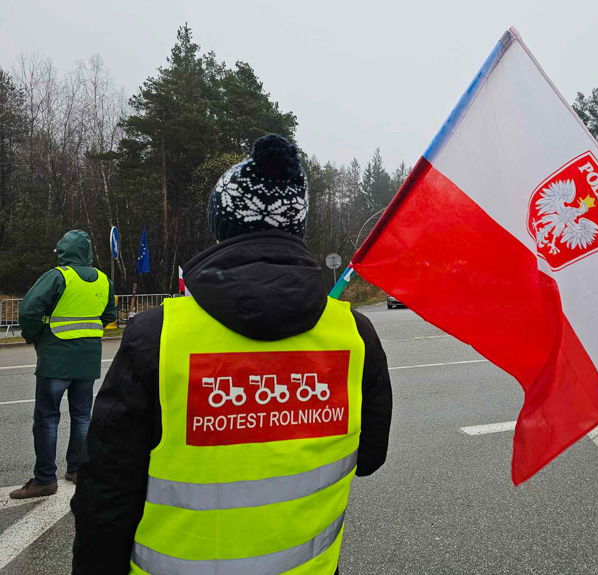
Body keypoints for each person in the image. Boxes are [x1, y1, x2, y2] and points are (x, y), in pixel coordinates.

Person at [71, 134, 393, 575]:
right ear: (297, 228)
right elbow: (369, 458)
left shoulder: (158, 334)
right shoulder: (354, 333)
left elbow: (106, 493)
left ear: (220, 227)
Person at [11, 230, 117, 499]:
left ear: (63, 253)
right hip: (87, 359)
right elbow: (108, 315)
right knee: (82, 416)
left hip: (56, 358)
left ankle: (45, 479)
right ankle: (78, 469)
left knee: (47, 418)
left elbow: (28, 310)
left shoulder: (58, 276)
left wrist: (37, 336)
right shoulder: (103, 280)